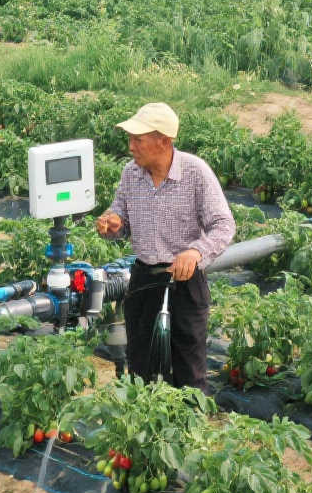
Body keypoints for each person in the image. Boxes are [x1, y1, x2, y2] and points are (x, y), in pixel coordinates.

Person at [93, 103, 236, 390]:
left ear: (164, 141)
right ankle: (143, 428)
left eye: (138, 139)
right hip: (145, 278)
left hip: (184, 280)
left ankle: (188, 430)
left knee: (189, 370)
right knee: (140, 366)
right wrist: (113, 224)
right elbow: (120, 215)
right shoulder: (131, 174)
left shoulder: (195, 173)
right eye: (130, 138)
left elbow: (224, 225)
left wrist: (195, 252)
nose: (131, 146)